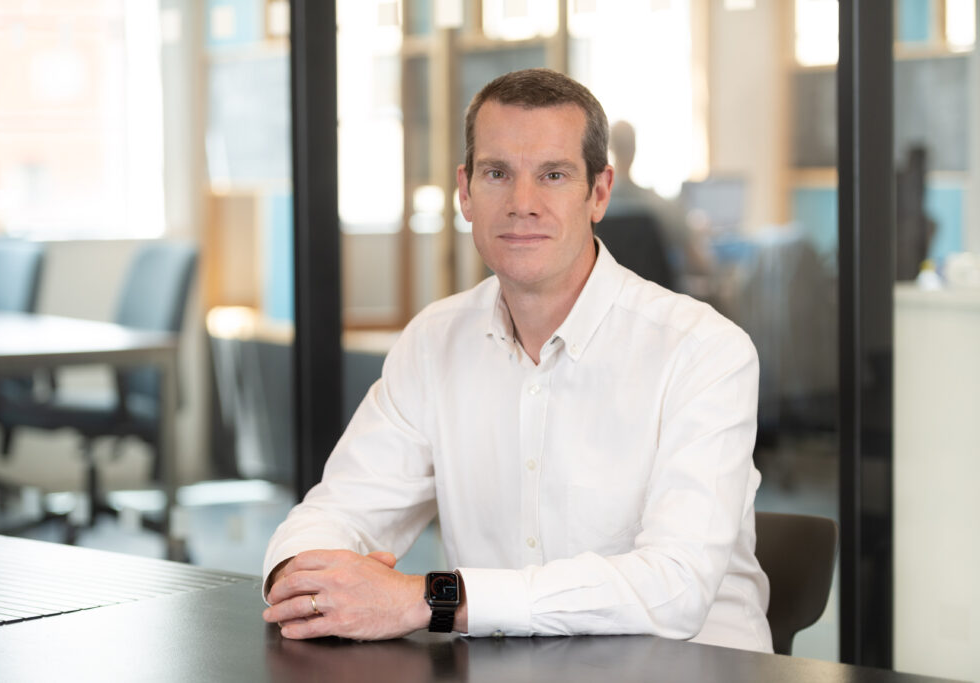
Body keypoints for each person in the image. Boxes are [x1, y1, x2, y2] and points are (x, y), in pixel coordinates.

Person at [262, 68, 771, 652]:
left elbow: (673, 590)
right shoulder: (434, 341)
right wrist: (304, 577)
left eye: (553, 175)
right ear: (465, 191)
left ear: (599, 193)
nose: (522, 204)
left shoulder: (704, 351)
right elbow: (338, 509)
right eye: (497, 173)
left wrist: (427, 599)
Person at [605, 119, 714, 280]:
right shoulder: (661, 207)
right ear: (634, 149)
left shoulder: (595, 207)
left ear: (609, 149)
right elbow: (697, 262)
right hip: (658, 299)